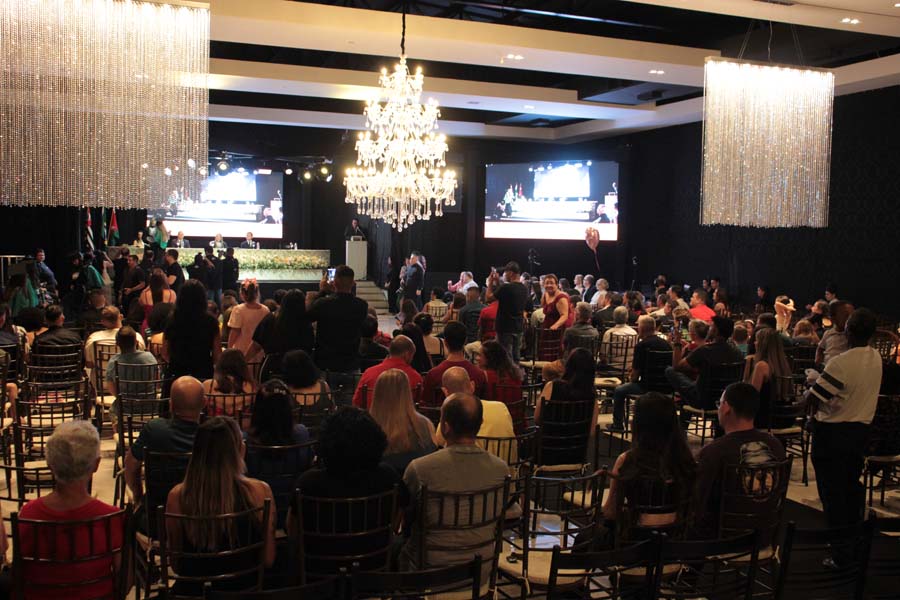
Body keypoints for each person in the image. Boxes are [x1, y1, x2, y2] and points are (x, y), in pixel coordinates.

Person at [165, 416, 276, 595]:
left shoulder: (176, 497)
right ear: (238, 450)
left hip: (194, 593)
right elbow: (268, 560)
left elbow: (176, 565)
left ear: (197, 452)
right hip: (245, 591)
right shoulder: (260, 492)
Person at [17, 421, 125, 599]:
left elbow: (20, 574)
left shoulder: (28, 514)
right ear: (96, 465)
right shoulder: (112, 517)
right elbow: (124, 581)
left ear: (49, 464)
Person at [402, 393, 509, 572]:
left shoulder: (420, 469)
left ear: (445, 427)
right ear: (480, 424)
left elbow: (404, 519)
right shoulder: (501, 470)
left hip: (428, 572)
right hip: (481, 569)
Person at [292, 407, 408, 573]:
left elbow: (293, 533)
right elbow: (396, 525)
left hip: (320, 572)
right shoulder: (388, 476)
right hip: (375, 568)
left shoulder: (307, 483)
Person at [808, 308, 882, 546]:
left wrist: (812, 384)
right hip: (860, 432)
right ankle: (853, 539)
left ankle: (840, 548)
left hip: (833, 435)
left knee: (832, 493)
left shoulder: (841, 363)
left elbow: (814, 399)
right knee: (850, 487)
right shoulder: (876, 357)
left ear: (848, 331)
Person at [692, 382, 786, 539]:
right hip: (765, 534)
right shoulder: (776, 445)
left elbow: (697, 503)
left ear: (726, 407)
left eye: (719, 403)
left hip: (723, 540)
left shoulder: (714, 451)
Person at [601, 393, 696, 542]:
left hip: (633, 542)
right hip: (675, 541)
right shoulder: (686, 460)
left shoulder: (628, 460)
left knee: (585, 537)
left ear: (638, 424)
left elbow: (611, 512)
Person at [124, 376, 205, 518]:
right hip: (204, 518)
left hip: (157, 516)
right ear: (204, 403)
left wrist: (138, 495)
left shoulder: (154, 429)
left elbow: (131, 464)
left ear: (170, 404)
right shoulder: (214, 435)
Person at [244, 381, 313, 528]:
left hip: (256, 516)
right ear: (288, 409)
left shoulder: (246, 443)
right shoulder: (302, 434)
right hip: (294, 513)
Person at [666, 316, 743, 416]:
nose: (708, 329)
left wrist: (677, 341)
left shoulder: (705, 350)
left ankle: (681, 410)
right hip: (727, 399)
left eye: (711, 327)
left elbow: (677, 366)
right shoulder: (737, 353)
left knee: (670, 370)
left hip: (703, 400)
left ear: (715, 331)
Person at [608, 315, 672, 432]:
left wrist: (631, 376)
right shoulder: (667, 344)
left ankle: (617, 425)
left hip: (647, 387)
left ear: (641, 329)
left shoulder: (641, 346)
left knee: (619, 390)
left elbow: (635, 377)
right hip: (666, 387)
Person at [370, 369, 437, 474]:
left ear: (377, 393)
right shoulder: (426, 425)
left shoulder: (367, 426)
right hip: (417, 481)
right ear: (407, 392)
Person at [163, 280, 222, 385]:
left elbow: (165, 353)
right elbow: (217, 355)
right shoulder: (211, 321)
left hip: (176, 375)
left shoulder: (172, 319)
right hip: (203, 374)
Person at [421, 321, 486, 406]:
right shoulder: (479, 374)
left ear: (445, 342)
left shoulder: (433, 375)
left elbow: (426, 405)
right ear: (465, 341)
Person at [353, 335, 423, 410]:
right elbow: (419, 406)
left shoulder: (369, 373)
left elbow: (356, 402)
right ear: (407, 354)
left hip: (372, 416)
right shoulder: (416, 377)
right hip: (403, 417)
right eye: (412, 356)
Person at [744, 328, 792, 430]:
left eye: (757, 340)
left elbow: (751, 395)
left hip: (766, 418)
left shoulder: (761, 366)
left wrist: (747, 370)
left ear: (763, 345)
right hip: (785, 417)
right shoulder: (784, 364)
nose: (755, 343)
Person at [250, 289, 314, 360]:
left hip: (274, 363)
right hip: (299, 364)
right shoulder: (306, 323)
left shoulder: (271, 319)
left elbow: (256, 345)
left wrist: (244, 361)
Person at [477, 339, 524, 432]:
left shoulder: (485, 377)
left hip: (493, 425)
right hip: (516, 424)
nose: (477, 358)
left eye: (480, 355)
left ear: (489, 358)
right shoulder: (514, 375)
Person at [104, 326, 158, 398]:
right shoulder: (150, 357)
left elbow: (112, 390)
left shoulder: (113, 362)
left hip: (124, 404)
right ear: (136, 342)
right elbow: (157, 383)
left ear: (117, 344)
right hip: (150, 403)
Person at [203, 349, 256, 416]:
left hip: (215, 422)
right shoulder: (252, 386)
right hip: (243, 422)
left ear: (220, 365)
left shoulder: (208, 385)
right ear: (243, 366)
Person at [495, 261, 528, 362]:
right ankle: (516, 372)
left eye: (505, 272)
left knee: (506, 358)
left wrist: (492, 281)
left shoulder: (506, 287)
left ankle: (508, 373)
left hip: (505, 327)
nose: (504, 275)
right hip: (518, 327)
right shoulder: (524, 288)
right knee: (516, 357)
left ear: (510, 273)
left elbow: (488, 298)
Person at [227, 279, 268, 359]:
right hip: (259, 352)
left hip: (241, 352)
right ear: (257, 293)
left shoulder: (238, 310)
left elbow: (235, 332)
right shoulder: (265, 310)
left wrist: (228, 350)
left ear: (242, 293)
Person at [599, 306, 637, 372]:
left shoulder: (609, 333)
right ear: (627, 317)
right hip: (629, 367)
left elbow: (603, 354)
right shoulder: (634, 333)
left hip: (612, 368)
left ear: (614, 317)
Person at [816, 301, 853, 366]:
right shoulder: (828, 333)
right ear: (833, 318)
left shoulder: (852, 335)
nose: (850, 319)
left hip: (844, 367)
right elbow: (820, 348)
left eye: (852, 316)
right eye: (846, 315)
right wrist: (818, 359)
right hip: (828, 367)